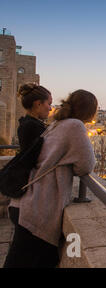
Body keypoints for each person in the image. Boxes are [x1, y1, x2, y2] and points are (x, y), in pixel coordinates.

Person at [3, 89, 97, 268]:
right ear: (89, 111)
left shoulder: (57, 124)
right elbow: (86, 165)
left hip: (26, 202)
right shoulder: (75, 126)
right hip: (38, 210)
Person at [3, 84, 53, 268]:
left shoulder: (27, 124)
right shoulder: (33, 127)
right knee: (19, 256)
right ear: (38, 104)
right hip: (29, 201)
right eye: (48, 103)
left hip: (25, 200)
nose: (50, 108)